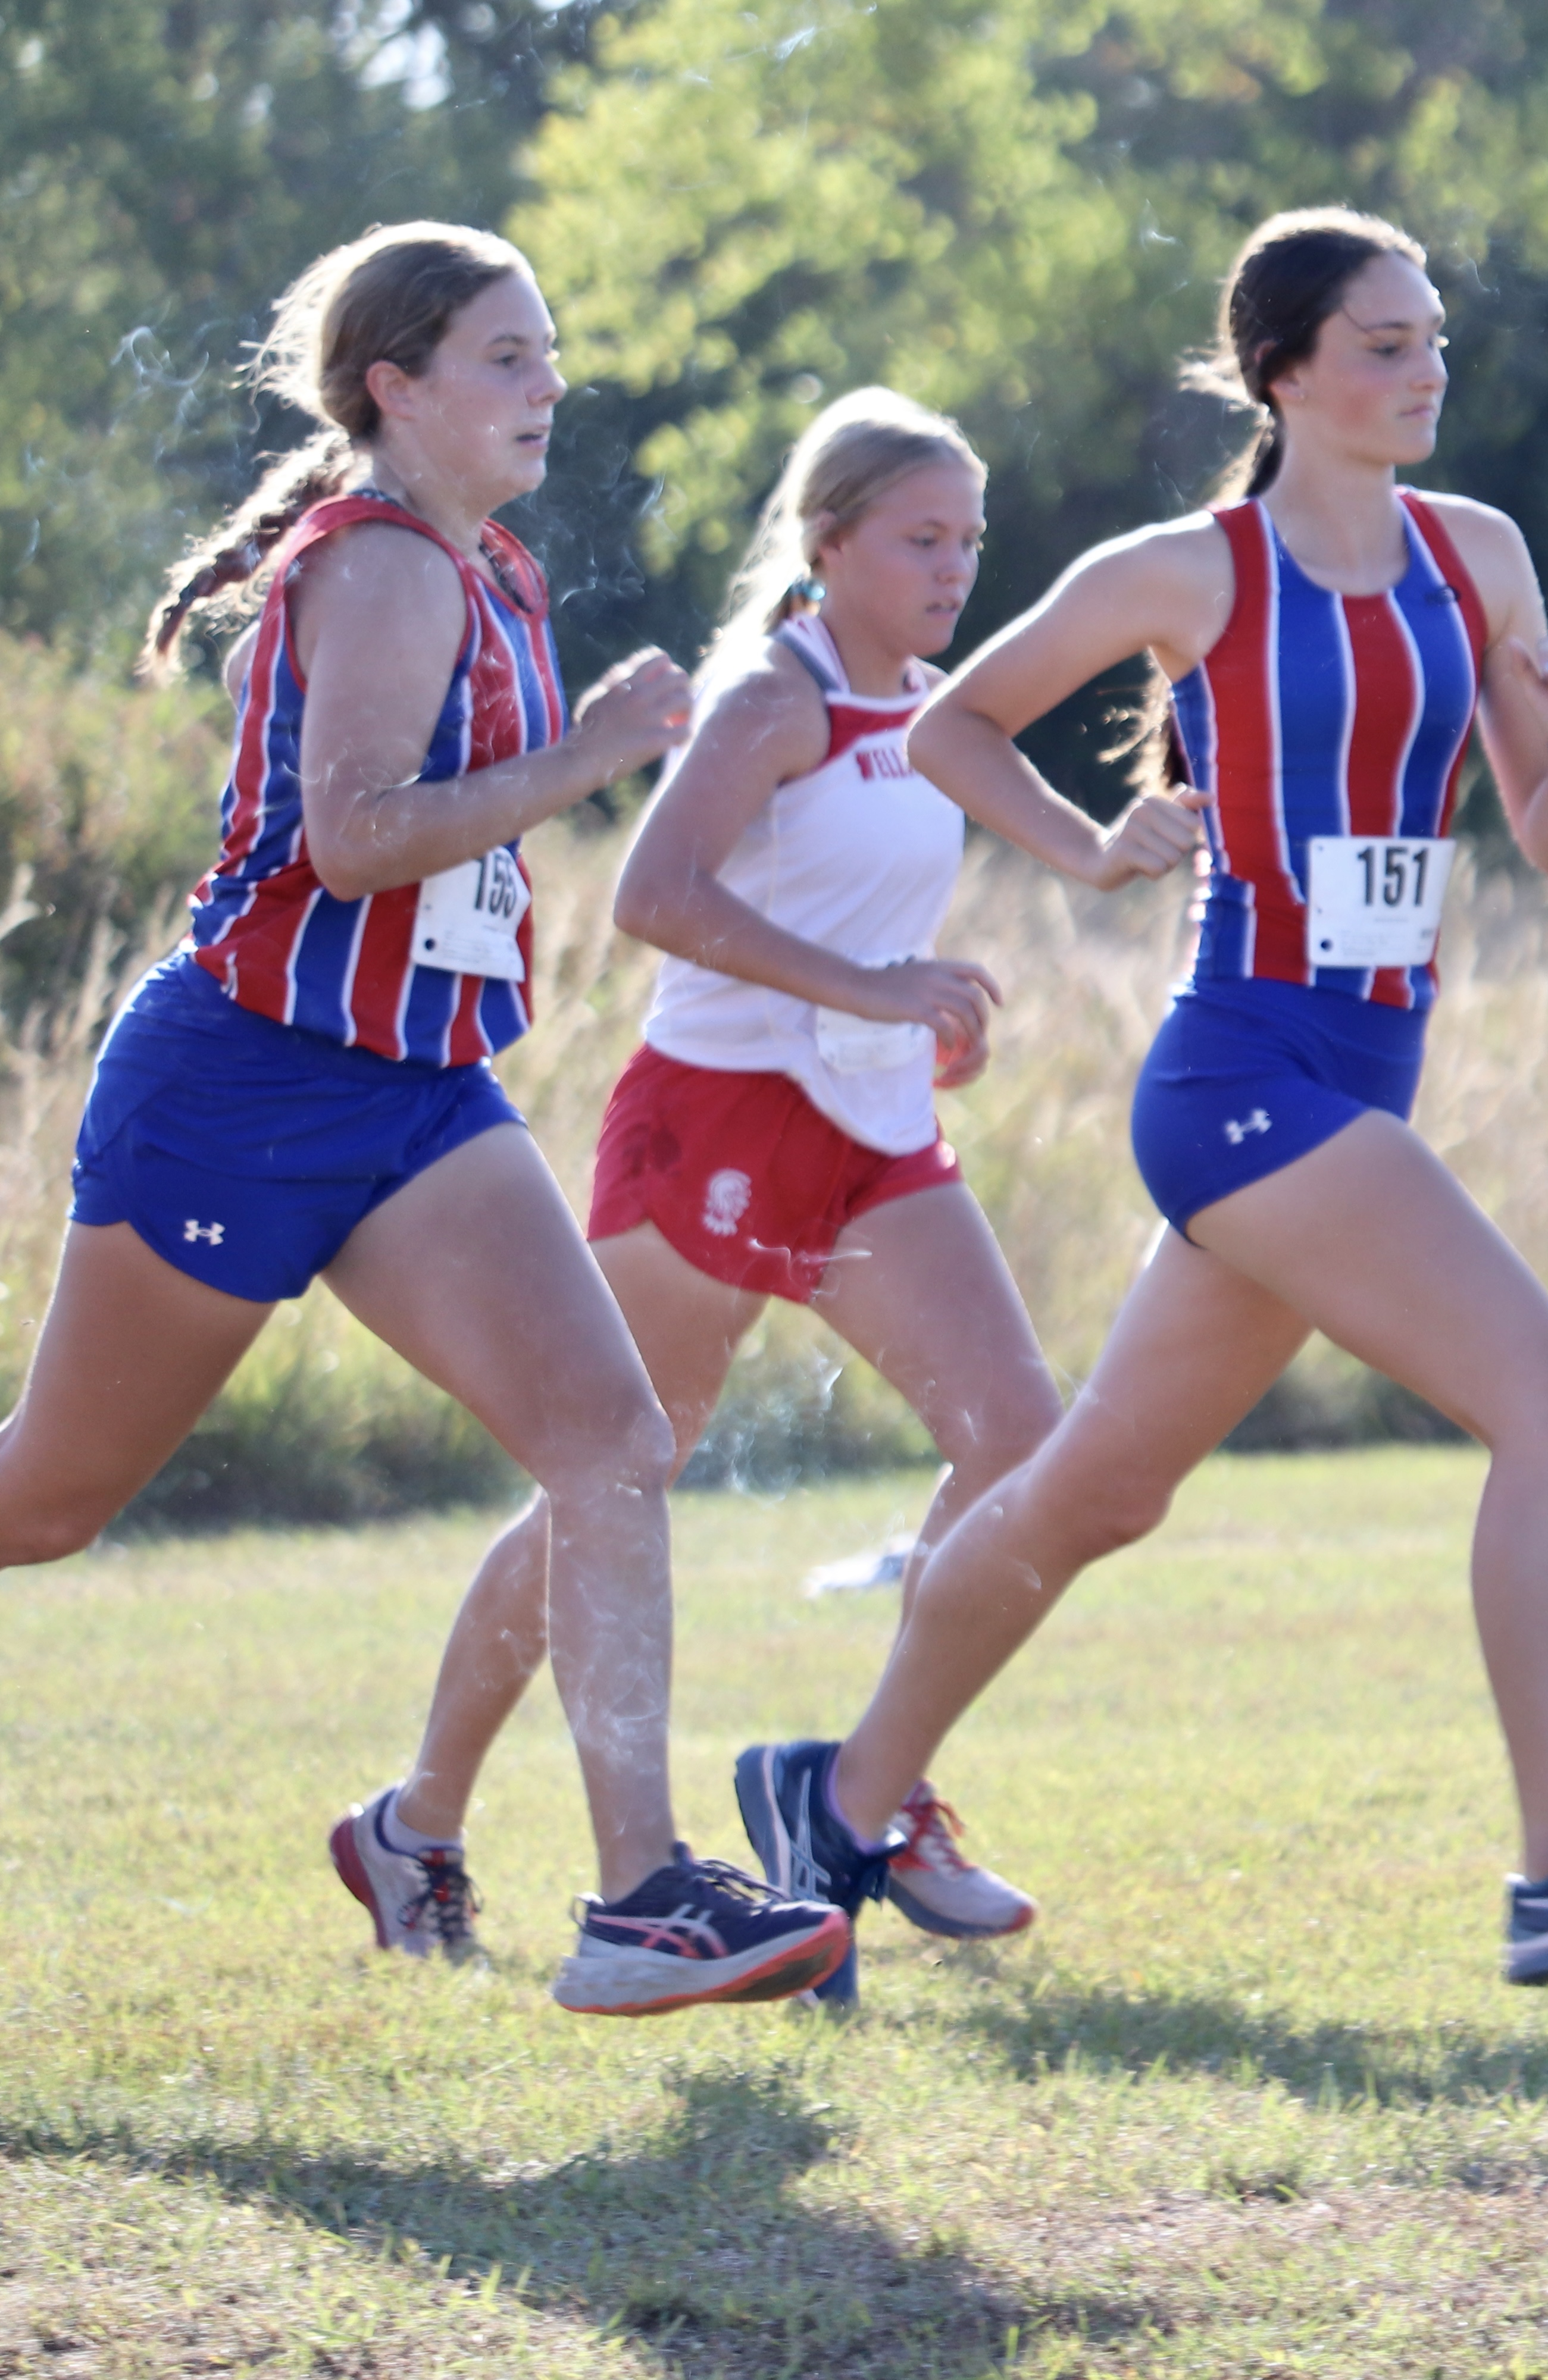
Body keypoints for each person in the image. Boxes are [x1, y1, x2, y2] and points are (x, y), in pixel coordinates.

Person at [727, 209, 1548, 1993]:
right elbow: (959, 725)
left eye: (1435, 338)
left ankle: (835, 1796)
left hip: (1361, 1074)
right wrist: (1094, 847)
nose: (1425, 369)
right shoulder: (1186, 569)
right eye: (1383, 343)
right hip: (1241, 1078)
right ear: (1282, 371)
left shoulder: (1479, 555)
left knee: (1094, 1493)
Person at [12, 220, 848, 2013]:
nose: (548, 386)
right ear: (395, 387)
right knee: (48, 1503)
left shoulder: (499, 573)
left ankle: (641, 1898)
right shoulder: (383, 564)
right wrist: (601, 756)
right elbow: (358, 837)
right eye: (505, 357)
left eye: (549, 352)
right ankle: (564, 1876)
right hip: (243, 1087)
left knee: (612, 1439)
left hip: (412, 1101)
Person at [334, 389, 1074, 1972]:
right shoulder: (770, 700)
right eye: (921, 538)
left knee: (1020, 1444)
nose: (955, 569)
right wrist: (872, 989)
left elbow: (853, 924)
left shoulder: (933, 708)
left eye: (972, 541)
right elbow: (657, 899)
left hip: (874, 1137)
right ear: (829, 544)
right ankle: (417, 1824)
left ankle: (861, 1793)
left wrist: (914, 1016)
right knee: (614, 1470)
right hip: (717, 1124)